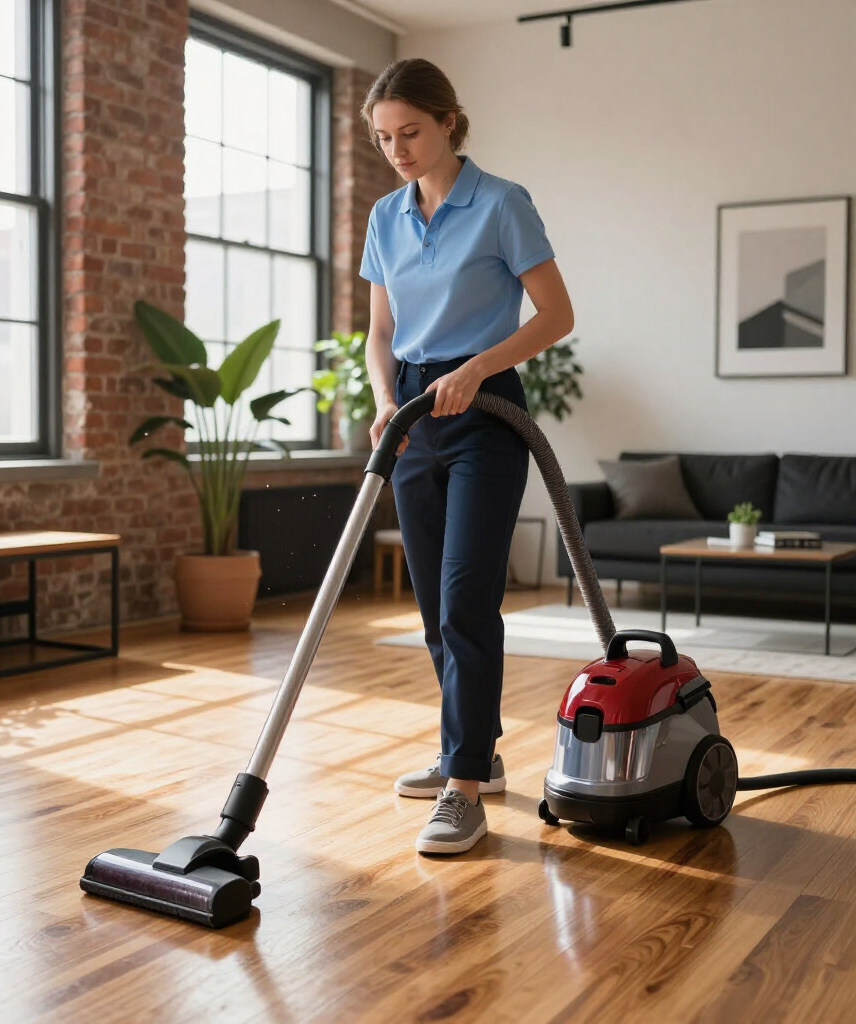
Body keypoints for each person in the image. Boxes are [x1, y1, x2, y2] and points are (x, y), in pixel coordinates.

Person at [359, 59, 575, 855]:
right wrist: (387, 401)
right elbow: (379, 335)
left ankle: (462, 792)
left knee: (465, 598)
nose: (398, 150)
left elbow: (556, 314)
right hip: (414, 413)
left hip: (486, 409)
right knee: (431, 612)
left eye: (410, 132)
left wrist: (479, 367)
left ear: (450, 120)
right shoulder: (385, 215)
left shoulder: (502, 203)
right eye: (384, 138)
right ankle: (473, 754)